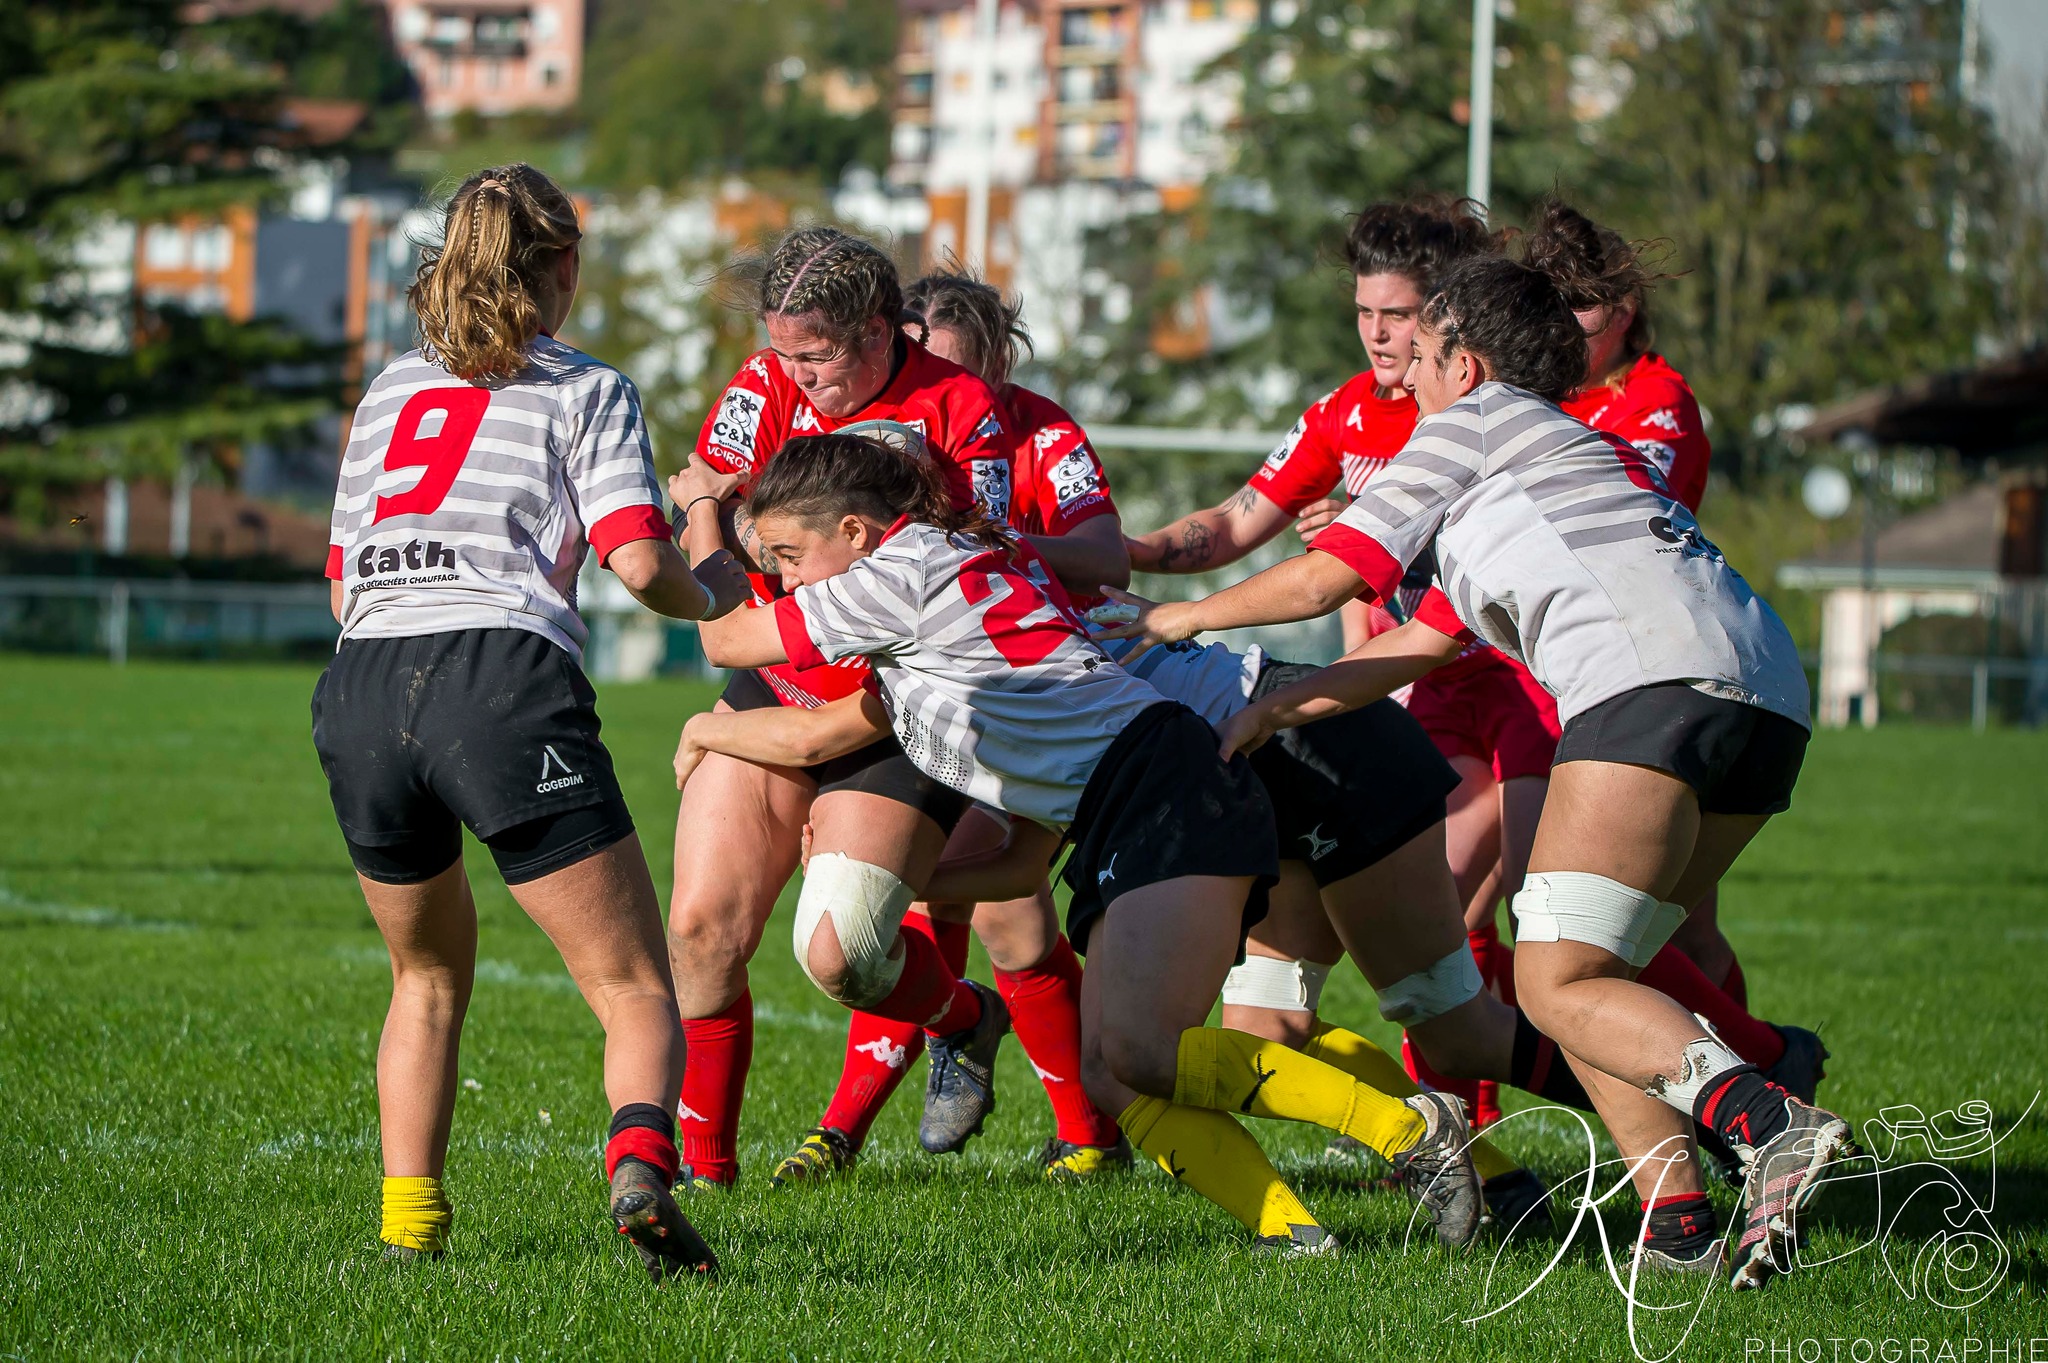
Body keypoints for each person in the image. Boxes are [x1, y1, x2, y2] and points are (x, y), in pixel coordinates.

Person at [1099, 254, 1854, 1288]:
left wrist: (1179, 615)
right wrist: (1275, 705)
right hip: (1765, 698)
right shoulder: (1551, 453)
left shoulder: (1475, 421)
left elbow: (1331, 571)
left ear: (1472, 362)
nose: (1400, 373)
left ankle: (1764, 1118)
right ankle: (1675, 1224)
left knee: (1556, 976)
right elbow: (1418, 643)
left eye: (1419, 352)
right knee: (1601, 970)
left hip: (1649, 680)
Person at [669, 433, 1488, 1254]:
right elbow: (880, 776)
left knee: (1142, 1049)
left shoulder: (897, 572)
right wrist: (716, 732)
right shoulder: (932, 599)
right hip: (1129, 795)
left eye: (789, 555)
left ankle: (1411, 1130)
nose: (787, 579)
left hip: (1162, 782)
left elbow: (722, 638)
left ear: (854, 530)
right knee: (1114, 1070)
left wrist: (703, 507)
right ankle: (1295, 1236)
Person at [311, 164, 748, 1281]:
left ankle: (408, 1234)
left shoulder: (387, 392)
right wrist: (716, 593)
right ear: (562, 268)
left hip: (360, 684)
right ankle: (641, 1169)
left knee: (424, 977)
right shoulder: (584, 387)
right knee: (633, 984)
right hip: (497, 677)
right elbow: (639, 560)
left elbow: (339, 581)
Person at [670, 227, 1019, 1189]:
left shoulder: (958, 405)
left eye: (816, 354)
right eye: (784, 352)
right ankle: (708, 1184)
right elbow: (706, 504)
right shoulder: (763, 383)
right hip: (778, 672)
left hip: (894, 702)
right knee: (701, 932)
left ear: (878, 330)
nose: (797, 375)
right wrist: (743, 534)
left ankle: (963, 1017)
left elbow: (985, 550)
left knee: (843, 956)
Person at [769, 270, 1131, 1188]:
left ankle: (1087, 1129)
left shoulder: (1038, 432)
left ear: (994, 365)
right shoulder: (890, 440)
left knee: (1000, 911)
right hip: (932, 690)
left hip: (1031, 695)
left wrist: (1002, 549)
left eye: (951, 368)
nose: (932, 391)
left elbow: (1106, 555)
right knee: (911, 904)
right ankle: (851, 1122)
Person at [1125, 197, 1497, 652]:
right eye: (1365, 311)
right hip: (1407, 679)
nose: (1375, 333)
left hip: (1505, 679)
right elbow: (1232, 524)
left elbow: (1498, 547)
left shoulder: (1484, 404)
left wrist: (1364, 539)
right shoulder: (1342, 410)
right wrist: (1125, 551)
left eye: (1398, 315)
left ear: (1444, 313)